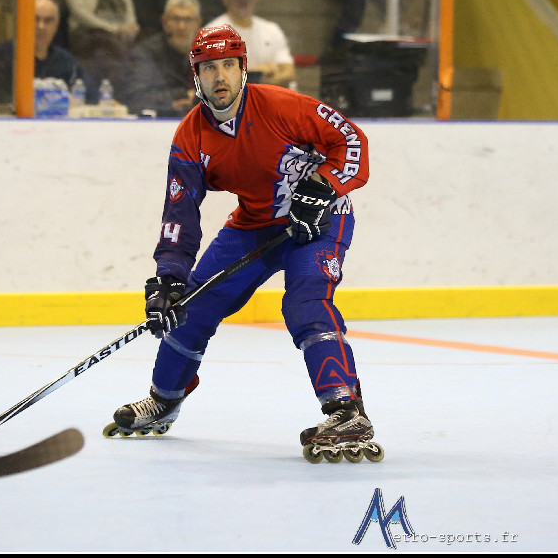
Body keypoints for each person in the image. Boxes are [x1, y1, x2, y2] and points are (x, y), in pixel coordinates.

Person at [104, 25, 383, 463]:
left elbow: (351, 140)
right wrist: (169, 278)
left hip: (319, 222)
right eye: (208, 68)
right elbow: (180, 213)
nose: (220, 77)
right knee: (192, 303)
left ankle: (345, 410)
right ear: (196, 76)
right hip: (256, 224)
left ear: (243, 68)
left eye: (228, 65)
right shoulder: (190, 137)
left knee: (306, 300)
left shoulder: (283, 106)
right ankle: (164, 399)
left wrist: (323, 186)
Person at [0, 0, 87, 106]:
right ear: (23, 22)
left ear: (56, 25)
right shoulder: (2, 56)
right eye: (35, 19)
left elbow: (88, 97)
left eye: (48, 21)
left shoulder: (67, 61)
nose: (41, 26)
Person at [205, 0, 296, 88]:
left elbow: (289, 73)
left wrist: (249, 77)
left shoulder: (272, 30)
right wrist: (264, 71)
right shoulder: (212, 33)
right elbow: (220, 81)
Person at [119, 0, 203, 118]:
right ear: (164, 21)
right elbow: (135, 97)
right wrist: (182, 96)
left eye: (188, 20)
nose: (181, 26)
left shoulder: (209, 53)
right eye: (176, 19)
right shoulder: (145, 53)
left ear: (198, 22)